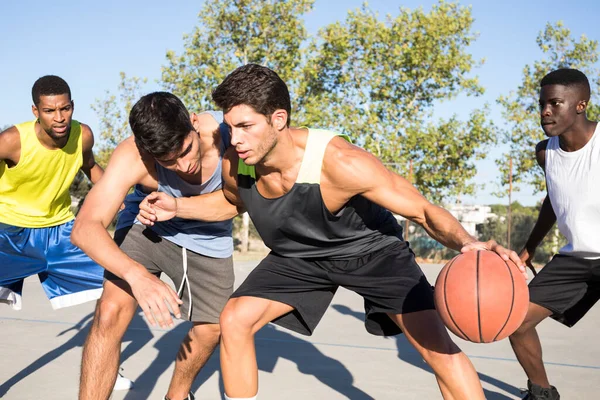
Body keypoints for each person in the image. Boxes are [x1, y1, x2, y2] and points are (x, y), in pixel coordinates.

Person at [137, 64, 527, 400]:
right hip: (299, 257)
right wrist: (179, 206)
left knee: (436, 349)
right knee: (235, 319)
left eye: (245, 126)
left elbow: (423, 210)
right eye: (229, 126)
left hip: (372, 253)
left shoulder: (339, 162)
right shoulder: (238, 162)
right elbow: (232, 203)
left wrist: (467, 242)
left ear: (278, 119)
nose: (234, 138)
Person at [71, 91, 237, 400]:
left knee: (211, 329)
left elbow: (236, 203)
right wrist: (136, 275)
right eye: (168, 161)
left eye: (186, 150)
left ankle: (176, 396)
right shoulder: (133, 156)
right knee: (109, 311)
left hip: (209, 236)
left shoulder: (228, 137)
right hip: (146, 225)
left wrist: (178, 206)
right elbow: (84, 228)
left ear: (193, 123)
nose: (184, 165)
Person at [0, 75, 131, 391]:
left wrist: (120, 197)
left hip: (59, 230)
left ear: (72, 106)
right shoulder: (11, 141)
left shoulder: (82, 135)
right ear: (36, 111)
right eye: (49, 111)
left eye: (65, 108)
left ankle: (105, 364)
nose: (59, 118)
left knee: (116, 288)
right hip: (9, 231)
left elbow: (91, 167)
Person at [508, 68, 599, 400]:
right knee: (515, 321)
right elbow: (554, 198)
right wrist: (529, 248)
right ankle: (542, 393)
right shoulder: (546, 152)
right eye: (542, 104)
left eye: (555, 103)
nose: (546, 111)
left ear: (580, 104)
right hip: (576, 257)